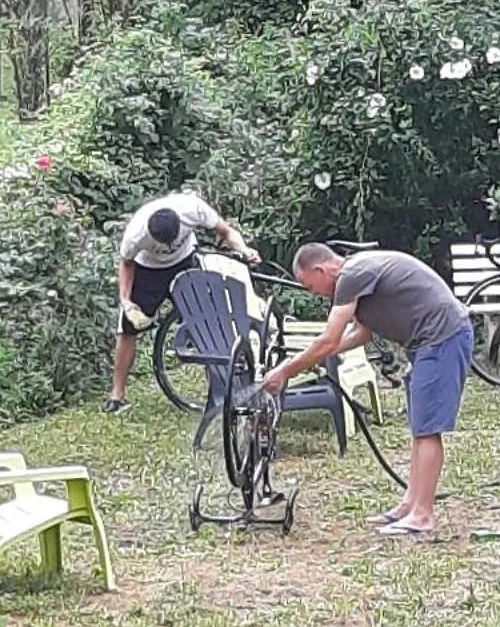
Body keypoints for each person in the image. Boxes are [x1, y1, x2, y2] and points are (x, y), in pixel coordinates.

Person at [262, 244, 470, 537]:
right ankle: (410, 504)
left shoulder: (351, 276)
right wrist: (320, 356)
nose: (314, 294)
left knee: (427, 430)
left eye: (310, 286)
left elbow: (329, 339)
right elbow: (363, 332)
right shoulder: (357, 274)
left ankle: (422, 515)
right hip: (426, 344)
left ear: (321, 271)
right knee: (419, 428)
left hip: (443, 338)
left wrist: (286, 370)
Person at [106, 192, 260, 414]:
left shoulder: (193, 208)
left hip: (185, 262)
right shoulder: (135, 234)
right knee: (128, 330)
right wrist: (126, 301)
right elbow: (127, 264)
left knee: (208, 324)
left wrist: (244, 250)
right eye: (162, 243)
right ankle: (117, 395)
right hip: (149, 271)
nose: (168, 246)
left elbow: (226, 232)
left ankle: (219, 388)